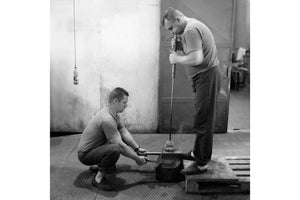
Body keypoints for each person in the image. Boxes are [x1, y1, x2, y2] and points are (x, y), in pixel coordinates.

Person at [162, 7, 222, 175]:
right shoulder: (188, 29)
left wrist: (177, 58)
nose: (172, 32)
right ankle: (198, 153)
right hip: (204, 77)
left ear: (178, 20)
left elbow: (197, 58)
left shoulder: (190, 30)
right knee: (201, 117)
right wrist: (180, 46)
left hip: (207, 77)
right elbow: (193, 50)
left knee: (204, 120)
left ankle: (201, 164)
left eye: (171, 28)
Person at [77, 87, 149, 191]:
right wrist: (137, 159)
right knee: (115, 149)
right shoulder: (107, 119)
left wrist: (137, 149)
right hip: (85, 154)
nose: (126, 105)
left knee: (119, 140)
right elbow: (119, 146)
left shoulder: (113, 113)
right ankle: (98, 179)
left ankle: (103, 165)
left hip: (96, 147)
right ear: (115, 101)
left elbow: (123, 131)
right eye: (124, 102)